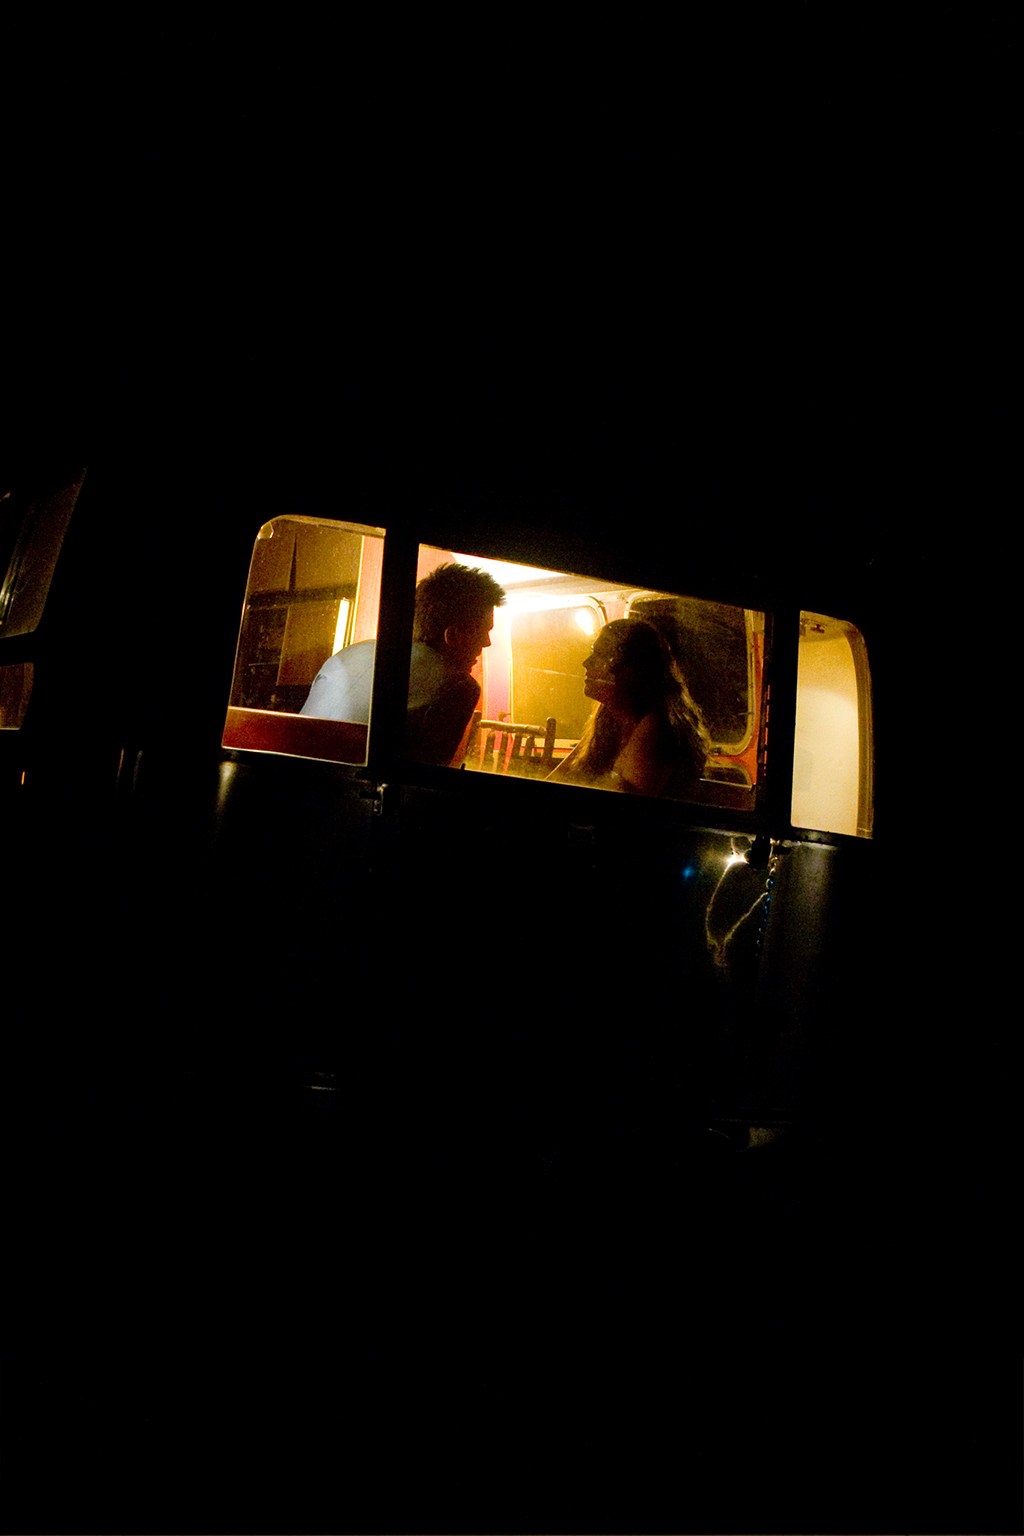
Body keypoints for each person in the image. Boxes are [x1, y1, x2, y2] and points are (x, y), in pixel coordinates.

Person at [300, 562, 506, 767]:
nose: (487, 642)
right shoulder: (459, 687)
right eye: (483, 631)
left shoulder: (347, 654)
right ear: (451, 635)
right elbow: (424, 781)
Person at [546, 617, 711, 797]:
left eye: (600, 654)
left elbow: (624, 814)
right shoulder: (608, 721)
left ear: (631, 669)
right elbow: (556, 781)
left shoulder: (655, 729)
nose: (586, 663)